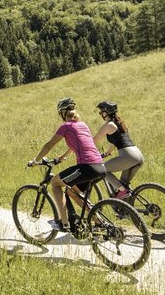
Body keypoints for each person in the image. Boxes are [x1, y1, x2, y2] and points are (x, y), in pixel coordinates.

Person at [29, 98, 106, 232]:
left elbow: (48, 146)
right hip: (100, 166)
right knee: (71, 191)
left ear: (63, 113)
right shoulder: (83, 125)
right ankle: (99, 222)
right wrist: (63, 157)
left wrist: (36, 161)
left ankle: (64, 224)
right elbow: (78, 144)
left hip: (86, 167)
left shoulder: (66, 127)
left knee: (55, 182)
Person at [92, 100, 145, 199]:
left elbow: (94, 140)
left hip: (128, 156)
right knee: (123, 185)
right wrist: (107, 153)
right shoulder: (119, 124)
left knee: (103, 171)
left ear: (105, 113)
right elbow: (116, 141)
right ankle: (126, 211)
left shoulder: (109, 125)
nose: (101, 114)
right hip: (138, 155)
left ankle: (123, 191)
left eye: (101, 112)